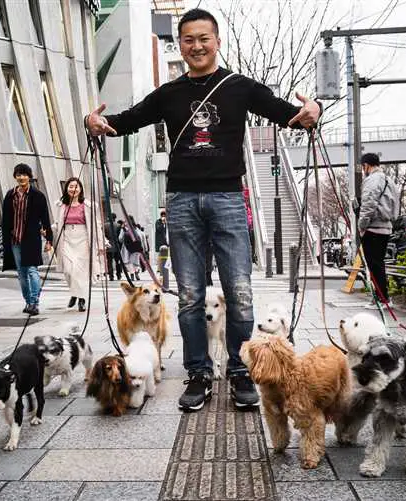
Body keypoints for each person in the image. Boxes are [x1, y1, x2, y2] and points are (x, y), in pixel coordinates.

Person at [85, 8, 321, 411]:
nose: (196, 46)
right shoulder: (169, 93)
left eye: (203, 38)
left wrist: (312, 112)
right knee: (191, 296)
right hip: (181, 201)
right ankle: (197, 373)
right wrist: (97, 122)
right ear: (181, 44)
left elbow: (288, 114)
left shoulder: (239, 86)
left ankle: (240, 372)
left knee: (241, 293)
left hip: (228, 198)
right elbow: (127, 120)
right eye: (188, 40)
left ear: (217, 41)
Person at [1, 164, 53, 316]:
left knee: (32, 270)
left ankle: (35, 303)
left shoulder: (38, 195)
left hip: (31, 239)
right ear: (15, 176)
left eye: (24, 174)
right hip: (14, 239)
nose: (21, 177)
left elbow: (45, 219)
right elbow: (5, 219)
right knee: (21, 272)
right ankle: (28, 301)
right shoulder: (10, 195)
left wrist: (49, 239)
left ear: (29, 176)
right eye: (18, 174)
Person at [54, 177, 103, 312]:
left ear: (80, 189)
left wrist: (100, 244)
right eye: (70, 186)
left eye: (76, 186)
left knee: (80, 272)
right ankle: (75, 293)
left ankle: (81, 299)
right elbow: (58, 223)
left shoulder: (88, 205)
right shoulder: (61, 205)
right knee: (69, 270)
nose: (73, 189)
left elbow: (96, 225)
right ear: (66, 188)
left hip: (83, 239)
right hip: (67, 239)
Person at [358, 152, 399, 309]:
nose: (363, 170)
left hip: (373, 228)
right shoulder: (389, 180)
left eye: (363, 167)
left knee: (374, 265)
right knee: (379, 264)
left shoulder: (372, 180)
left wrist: (361, 226)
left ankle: (383, 299)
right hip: (386, 226)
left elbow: (368, 204)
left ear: (366, 165)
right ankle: (383, 297)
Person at [118, 217, 144, 281]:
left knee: (129, 262)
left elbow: (120, 238)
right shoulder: (136, 228)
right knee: (135, 260)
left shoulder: (124, 228)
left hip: (127, 248)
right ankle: (136, 272)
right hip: (136, 247)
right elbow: (140, 237)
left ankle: (132, 274)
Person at [104, 212, 123, 281]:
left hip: (108, 246)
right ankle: (118, 275)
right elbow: (120, 237)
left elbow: (104, 236)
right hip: (117, 246)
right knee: (117, 261)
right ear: (115, 218)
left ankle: (111, 276)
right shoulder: (118, 226)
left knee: (109, 262)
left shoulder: (104, 225)